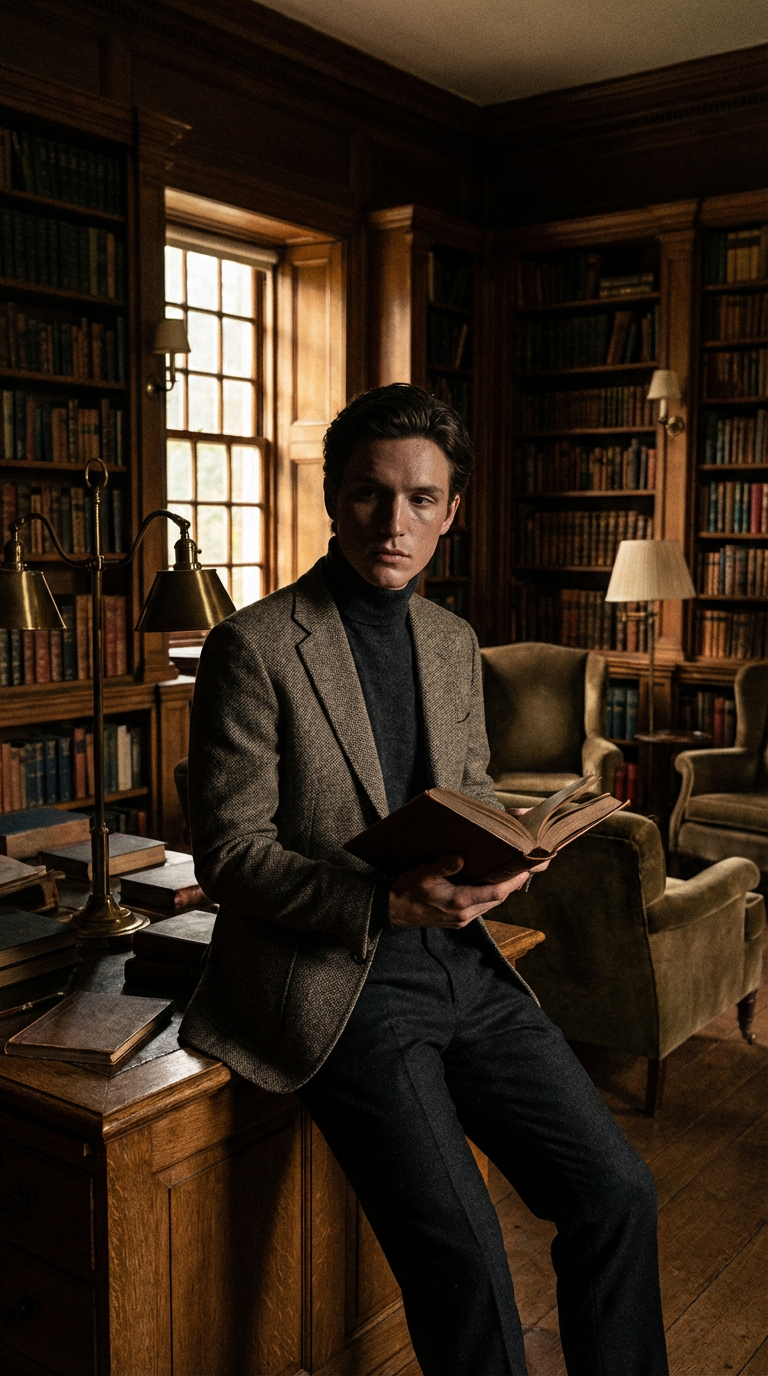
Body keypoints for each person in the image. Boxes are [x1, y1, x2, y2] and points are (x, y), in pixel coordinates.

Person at [180, 383, 668, 1376]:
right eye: (369, 494)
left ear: (450, 511)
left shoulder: (452, 644)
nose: (391, 522)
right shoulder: (255, 645)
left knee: (617, 1193)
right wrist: (382, 901)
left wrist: (509, 850)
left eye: (418, 499)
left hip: (466, 964)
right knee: (469, 1263)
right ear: (333, 498)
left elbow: (468, 785)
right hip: (343, 979)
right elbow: (231, 851)